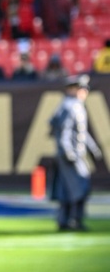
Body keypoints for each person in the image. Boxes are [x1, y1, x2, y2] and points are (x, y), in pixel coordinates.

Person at [49, 77, 100, 231]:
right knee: (80, 186)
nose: (84, 92)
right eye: (81, 88)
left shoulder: (76, 106)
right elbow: (63, 131)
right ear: (72, 89)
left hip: (74, 153)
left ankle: (65, 221)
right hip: (70, 155)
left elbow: (81, 132)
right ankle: (74, 220)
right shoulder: (70, 106)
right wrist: (68, 151)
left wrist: (92, 148)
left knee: (67, 188)